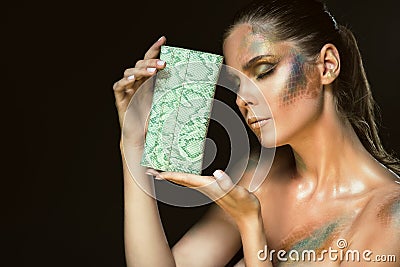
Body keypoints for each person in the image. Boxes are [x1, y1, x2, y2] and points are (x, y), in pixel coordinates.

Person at [113, 0, 400, 266]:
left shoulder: (390, 217)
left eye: (264, 70)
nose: (242, 99)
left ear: (327, 65)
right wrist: (134, 142)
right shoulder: (258, 179)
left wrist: (251, 227)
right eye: (236, 84)